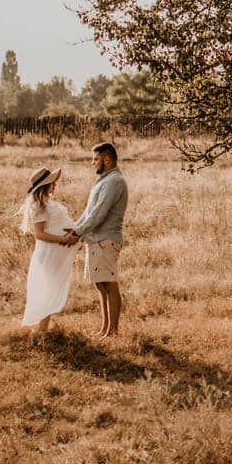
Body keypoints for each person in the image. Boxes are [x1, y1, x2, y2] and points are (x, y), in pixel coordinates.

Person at [68, 141, 128, 338]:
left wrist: (77, 232)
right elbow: (89, 213)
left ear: (107, 159)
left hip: (106, 239)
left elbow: (99, 213)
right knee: (100, 285)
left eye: (95, 159)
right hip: (95, 239)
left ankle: (114, 331)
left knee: (109, 284)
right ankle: (105, 328)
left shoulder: (114, 182)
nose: (92, 163)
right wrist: (75, 229)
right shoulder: (103, 181)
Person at [18, 168, 78, 334]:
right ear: (44, 186)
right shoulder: (38, 206)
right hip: (49, 253)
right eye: (52, 183)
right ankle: (42, 330)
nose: (55, 185)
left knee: (53, 287)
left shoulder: (50, 204)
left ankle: (43, 328)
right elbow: (40, 234)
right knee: (49, 288)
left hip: (57, 252)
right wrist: (64, 240)